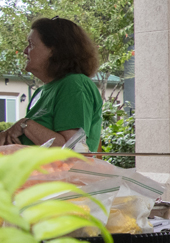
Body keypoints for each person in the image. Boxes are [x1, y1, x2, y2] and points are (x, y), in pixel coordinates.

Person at [0, 17, 102, 150]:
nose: (25, 51)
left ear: (54, 49)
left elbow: (73, 150)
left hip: (64, 171)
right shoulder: (41, 91)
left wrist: (25, 125)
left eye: (31, 44)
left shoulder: (74, 84)